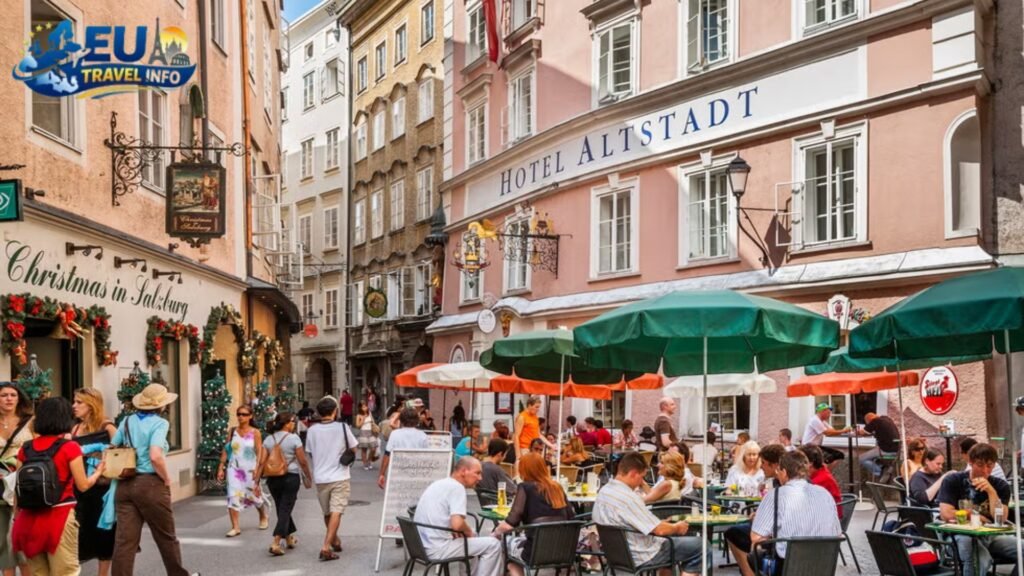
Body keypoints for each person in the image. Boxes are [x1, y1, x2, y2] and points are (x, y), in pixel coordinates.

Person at [11, 397, 105, 575]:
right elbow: (83, 485)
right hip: (59, 516)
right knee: (65, 572)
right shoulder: (70, 447)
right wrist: (98, 472)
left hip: (28, 519)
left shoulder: (26, 448)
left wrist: (17, 516)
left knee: (39, 573)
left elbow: (18, 487)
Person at [111, 383, 196, 576]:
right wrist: (166, 478)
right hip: (150, 483)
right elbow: (155, 455)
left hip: (125, 484)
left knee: (125, 542)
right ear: (162, 405)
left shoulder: (126, 421)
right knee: (166, 536)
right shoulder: (160, 423)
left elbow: (113, 445)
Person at [592, 451, 705, 576]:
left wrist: (662, 525)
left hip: (616, 555)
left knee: (672, 545)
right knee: (702, 545)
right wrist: (677, 527)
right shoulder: (628, 497)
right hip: (642, 554)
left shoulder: (604, 491)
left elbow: (639, 524)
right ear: (633, 474)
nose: (641, 482)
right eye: (641, 477)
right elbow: (659, 531)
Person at [746, 450, 842, 576]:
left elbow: (756, 537)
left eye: (778, 471)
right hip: (824, 564)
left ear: (784, 473)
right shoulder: (824, 493)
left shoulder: (776, 495)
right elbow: (838, 533)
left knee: (754, 551)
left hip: (790, 566)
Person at [937, 442, 1017, 575]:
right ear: (970, 462)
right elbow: (946, 513)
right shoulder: (953, 480)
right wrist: (973, 515)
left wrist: (991, 492)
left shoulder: (1000, 485)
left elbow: (1002, 518)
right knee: (981, 559)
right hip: (958, 535)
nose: (985, 470)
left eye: (990, 466)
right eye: (980, 465)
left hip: (989, 536)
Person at [414, 457, 503, 576]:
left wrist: (464, 531)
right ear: (464, 471)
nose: (480, 478)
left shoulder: (440, 483)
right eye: (477, 473)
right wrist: (467, 532)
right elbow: (457, 524)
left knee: (474, 535)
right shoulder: (457, 488)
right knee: (494, 544)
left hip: (422, 545)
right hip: (437, 548)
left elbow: (444, 516)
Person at [493, 454, 574, 575]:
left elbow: (510, 523)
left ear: (524, 470)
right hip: (562, 551)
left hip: (534, 552)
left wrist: (494, 533)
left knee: (502, 544)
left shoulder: (526, 488)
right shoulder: (557, 487)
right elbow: (571, 517)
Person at [304, 396, 358, 561]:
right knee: (336, 511)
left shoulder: (312, 430)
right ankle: (326, 546)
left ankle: (334, 540)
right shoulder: (342, 427)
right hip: (340, 475)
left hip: (321, 476)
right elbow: (354, 449)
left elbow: (310, 452)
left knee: (328, 512)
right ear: (335, 411)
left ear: (319, 413)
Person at [71, 388, 118, 576]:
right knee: (81, 532)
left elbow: (121, 454)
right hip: (78, 487)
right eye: (74, 401)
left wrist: (99, 457)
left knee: (104, 532)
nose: (74, 406)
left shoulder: (107, 426)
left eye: (79, 402)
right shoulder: (74, 428)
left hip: (102, 488)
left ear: (91, 405)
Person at [254, 412, 313, 557]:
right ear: (286, 423)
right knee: (285, 508)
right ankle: (276, 542)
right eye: (292, 421)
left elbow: (261, 461)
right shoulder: (294, 438)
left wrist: (256, 481)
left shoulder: (268, 439)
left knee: (282, 508)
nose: (294, 424)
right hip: (290, 477)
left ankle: (289, 538)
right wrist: (308, 476)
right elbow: (303, 461)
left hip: (273, 478)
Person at [725, 444, 786, 576]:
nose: (761, 465)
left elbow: (757, 536)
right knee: (737, 531)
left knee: (735, 533)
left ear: (774, 465)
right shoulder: (818, 492)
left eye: (763, 462)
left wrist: (760, 517)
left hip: (778, 539)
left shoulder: (780, 487)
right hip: (797, 541)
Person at [217, 404, 269, 536]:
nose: (241, 417)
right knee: (232, 495)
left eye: (244, 414)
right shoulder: (232, 430)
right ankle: (235, 527)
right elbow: (226, 449)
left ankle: (263, 516)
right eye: (239, 414)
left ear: (250, 416)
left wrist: (258, 469)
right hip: (234, 469)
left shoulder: (255, 432)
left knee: (254, 496)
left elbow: (259, 452)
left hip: (250, 469)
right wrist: (221, 468)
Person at [0, 382, 33, 576]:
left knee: (22, 539)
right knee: (2, 541)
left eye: (13, 395)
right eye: (4, 395)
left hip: (24, 482)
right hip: (0, 485)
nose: (9, 399)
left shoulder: (30, 421)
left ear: (19, 398)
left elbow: (40, 448)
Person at [378, 408, 429, 489]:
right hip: (416, 472)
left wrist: (382, 474)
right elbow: (426, 457)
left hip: (398, 472)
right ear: (416, 420)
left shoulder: (395, 434)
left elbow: (387, 454)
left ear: (401, 420)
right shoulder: (423, 435)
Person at [798, 445, 843, 520]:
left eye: (799, 462)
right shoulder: (820, 472)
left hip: (828, 521)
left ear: (810, 464)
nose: (798, 465)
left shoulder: (819, 481)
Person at [801, 403, 850, 467]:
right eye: (828, 413)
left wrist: (844, 431)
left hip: (816, 447)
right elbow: (828, 433)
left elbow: (832, 431)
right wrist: (844, 431)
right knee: (829, 459)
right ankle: (822, 475)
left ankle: (825, 474)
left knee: (838, 455)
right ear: (822, 411)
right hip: (808, 448)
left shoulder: (822, 421)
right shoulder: (815, 420)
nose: (830, 415)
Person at [857, 412, 900, 479]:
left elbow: (862, 432)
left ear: (869, 420)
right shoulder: (886, 419)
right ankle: (882, 466)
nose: (868, 425)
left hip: (886, 450)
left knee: (860, 459)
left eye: (867, 423)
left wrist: (856, 431)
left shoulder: (875, 421)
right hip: (896, 450)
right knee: (874, 452)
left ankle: (879, 471)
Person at [355, 402, 378, 471]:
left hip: (371, 432)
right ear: (360, 408)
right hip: (363, 432)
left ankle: (369, 461)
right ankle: (365, 464)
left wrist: (374, 426)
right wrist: (363, 419)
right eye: (363, 407)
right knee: (364, 449)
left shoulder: (369, 413)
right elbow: (357, 426)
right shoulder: (359, 415)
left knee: (373, 448)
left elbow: (373, 422)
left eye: (365, 406)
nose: (365, 408)